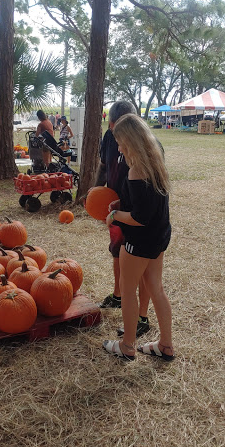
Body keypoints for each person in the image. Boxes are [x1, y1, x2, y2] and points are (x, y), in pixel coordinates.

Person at [102, 113, 174, 361]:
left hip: (140, 241)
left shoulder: (136, 170)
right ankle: (166, 345)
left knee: (127, 288)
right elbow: (147, 204)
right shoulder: (155, 161)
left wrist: (115, 216)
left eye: (121, 141)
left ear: (131, 140)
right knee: (157, 288)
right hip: (159, 237)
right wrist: (121, 202)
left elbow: (139, 218)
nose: (119, 147)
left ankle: (127, 346)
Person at [94, 101, 151, 338]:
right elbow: (104, 166)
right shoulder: (109, 137)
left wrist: (124, 211)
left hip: (135, 216)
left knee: (143, 269)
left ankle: (142, 316)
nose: (118, 143)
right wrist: (96, 193)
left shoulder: (147, 146)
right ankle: (118, 296)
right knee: (118, 252)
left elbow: (148, 201)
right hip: (117, 206)